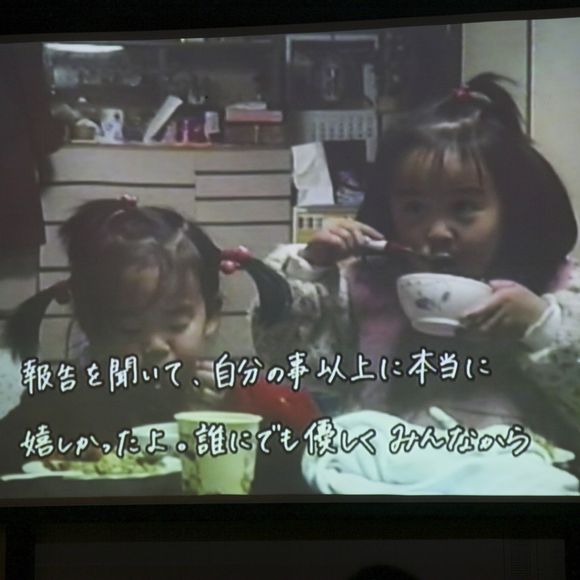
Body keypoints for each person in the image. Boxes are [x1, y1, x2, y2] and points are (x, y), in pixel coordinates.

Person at [251, 73, 580, 495]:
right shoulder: (368, 287)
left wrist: (542, 326)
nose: (437, 231)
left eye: (464, 208)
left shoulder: (556, 290)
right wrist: (309, 271)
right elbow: (291, 366)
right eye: (414, 208)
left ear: (513, 209)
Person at [0, 196, 318, 485]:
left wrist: (235, 416)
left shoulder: (252, 401)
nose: (155, 345)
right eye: (128, 328)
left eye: (176, 324)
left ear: (211, 317)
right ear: (90, 324)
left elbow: (310, 467)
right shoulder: (57, 406)